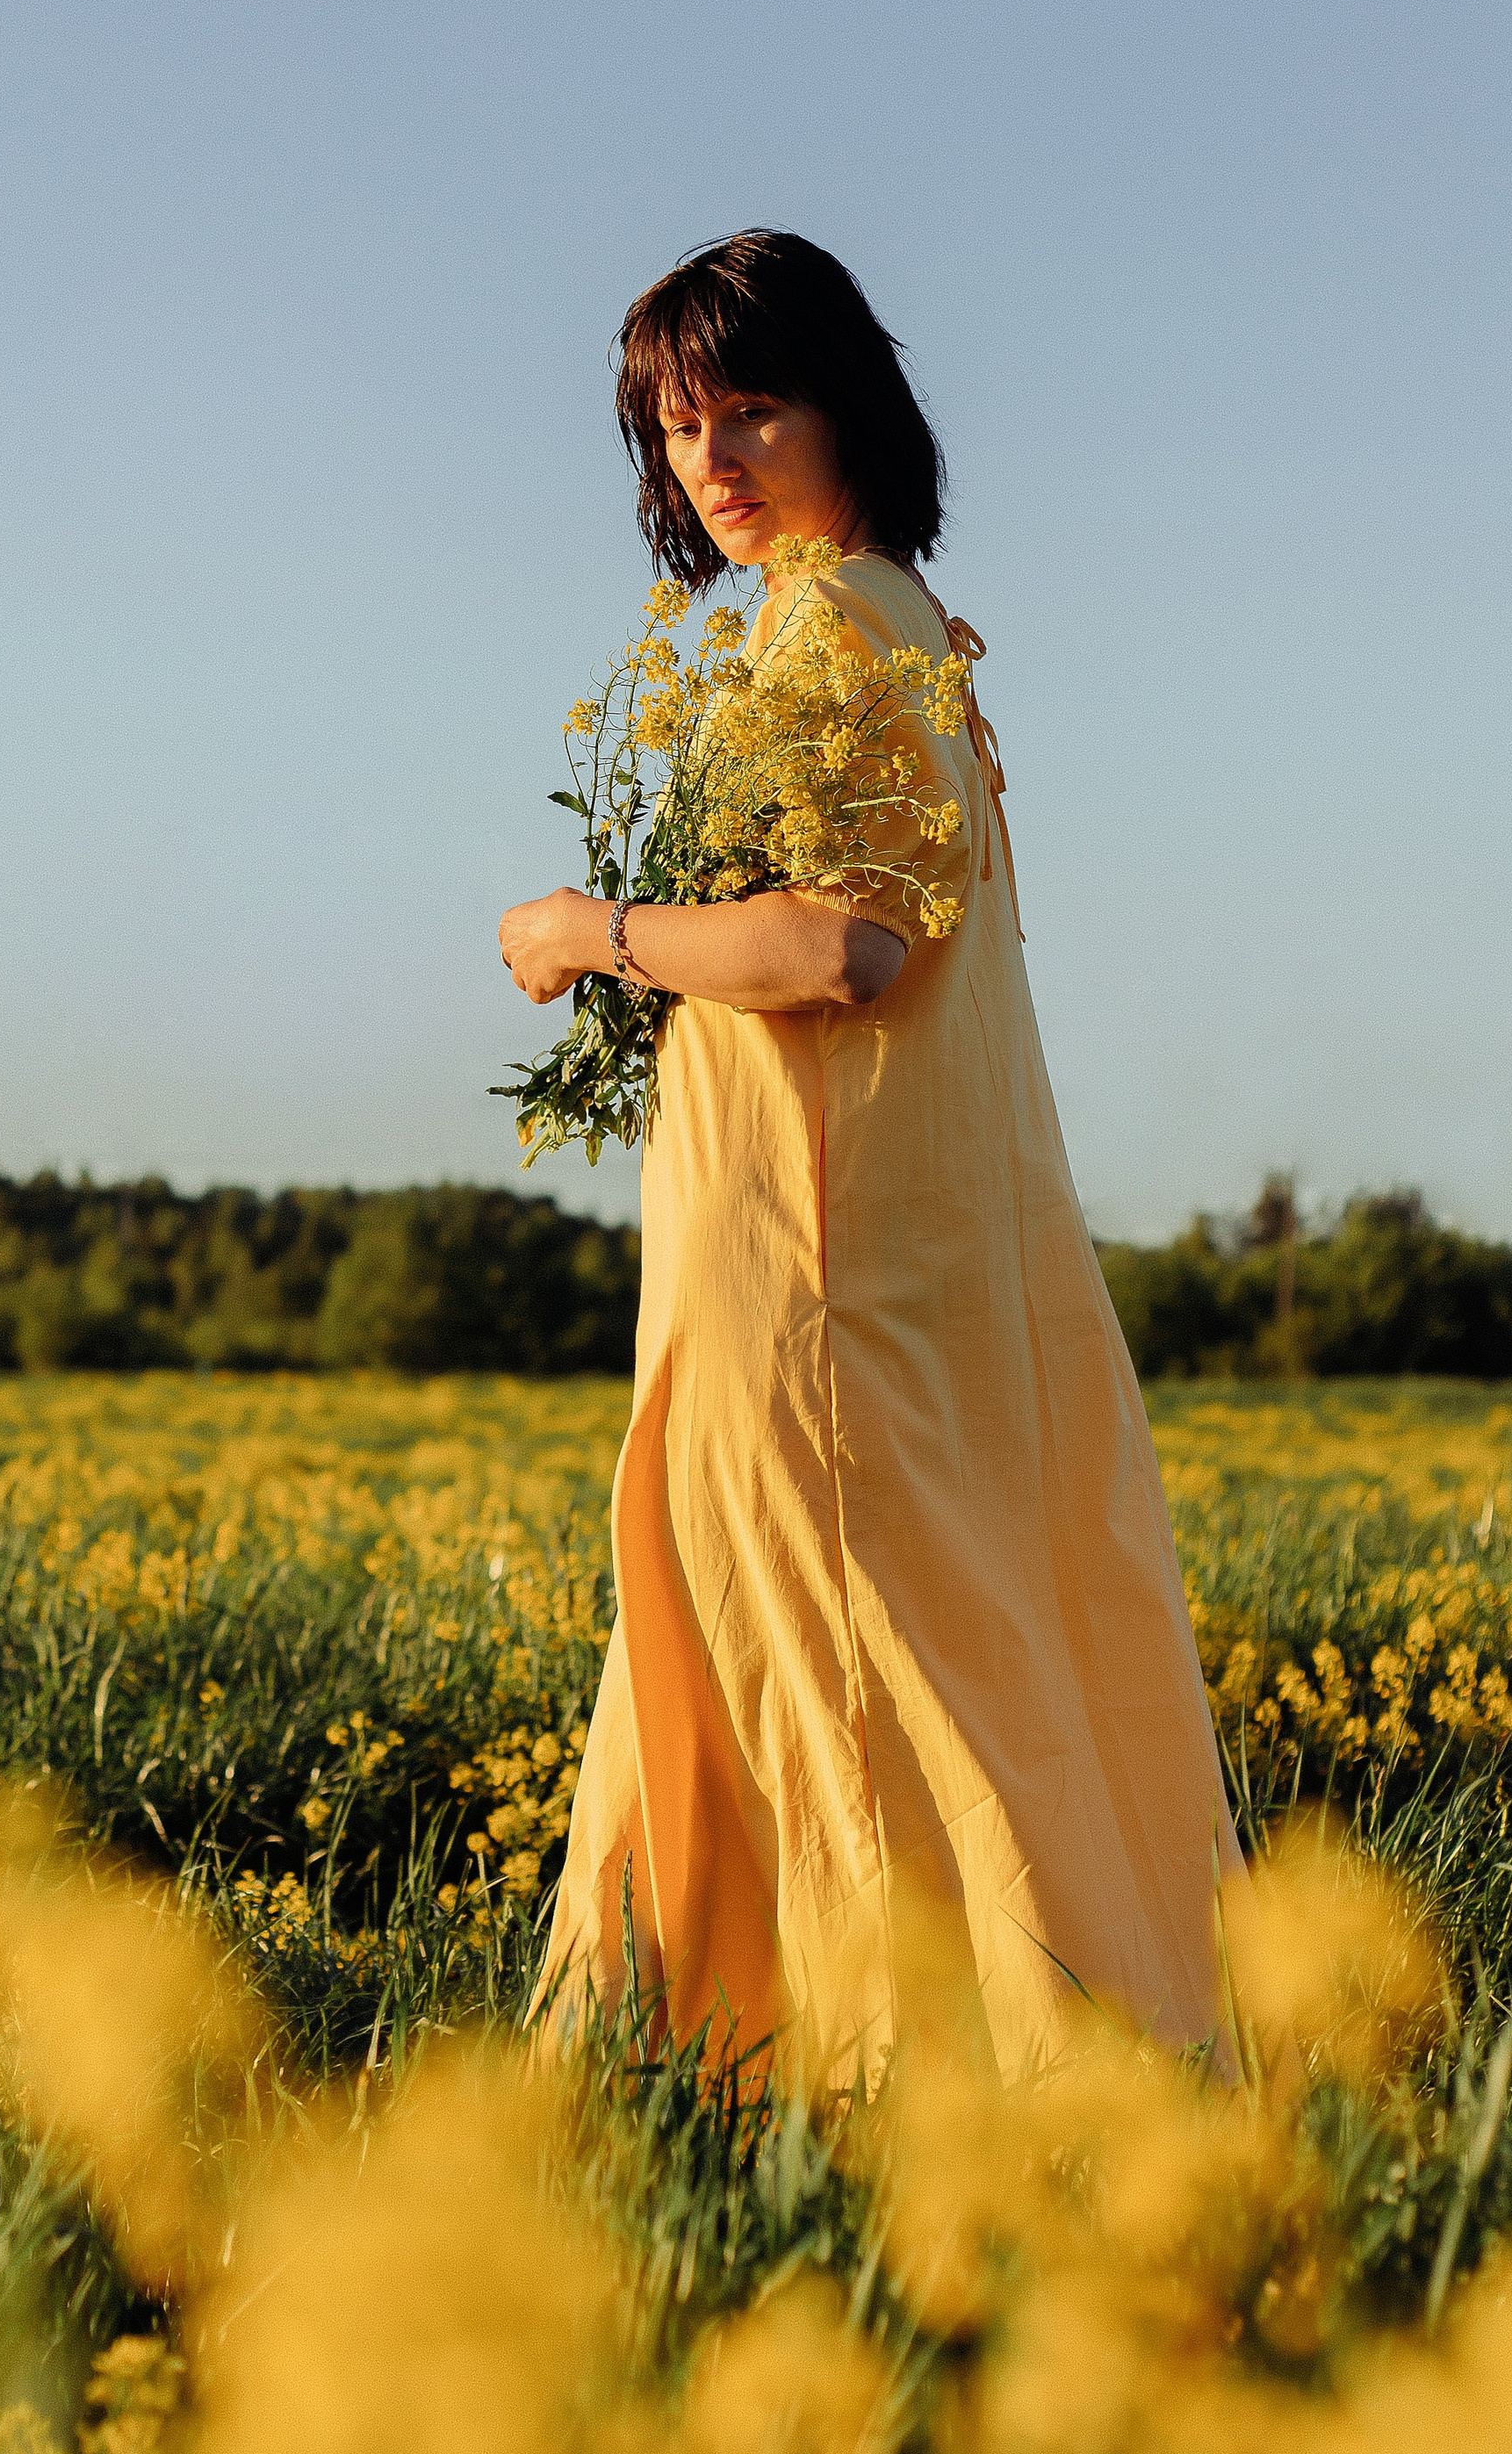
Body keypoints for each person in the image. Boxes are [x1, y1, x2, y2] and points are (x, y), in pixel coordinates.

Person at [498, 230, 1242, 2084]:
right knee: (892, 1657)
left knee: (820, 1669)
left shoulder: (827, 630)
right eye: (676, 429)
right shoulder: (903, 624)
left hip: (817, 1278)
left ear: (850, 407)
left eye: (751, 409)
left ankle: (868, 2094)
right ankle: (740, 2083)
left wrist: (593, 931)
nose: (711, 461)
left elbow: (841, 945)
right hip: (901, 1265)